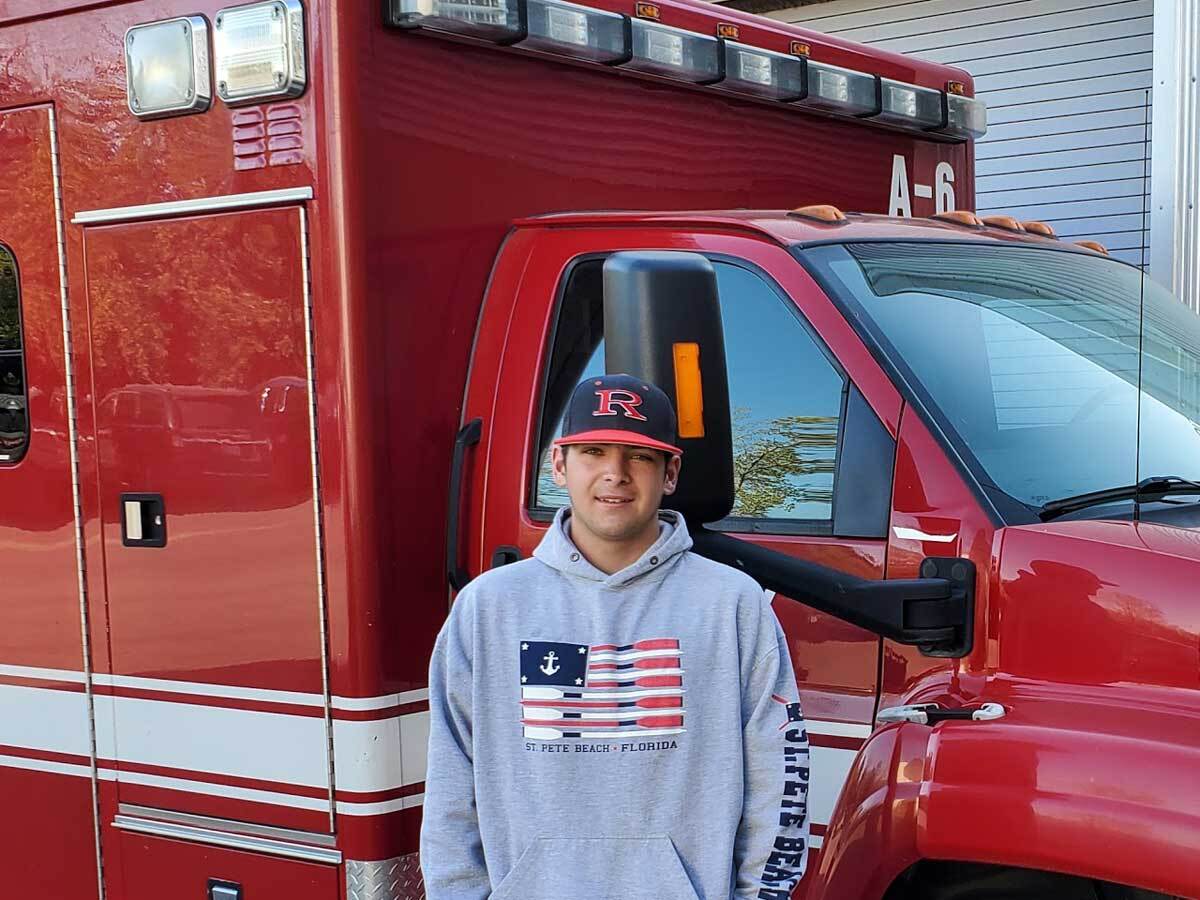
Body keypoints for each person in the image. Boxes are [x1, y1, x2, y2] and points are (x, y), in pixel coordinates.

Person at [420, 373, 810, 899]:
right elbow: (451, 786)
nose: (615, 474)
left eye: (640, 457)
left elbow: (778, 778)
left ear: (670, 472)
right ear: (559, 465)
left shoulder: (733, 604)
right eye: (594, 452)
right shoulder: (488, 608)